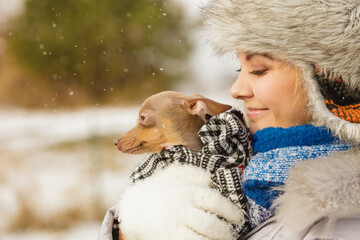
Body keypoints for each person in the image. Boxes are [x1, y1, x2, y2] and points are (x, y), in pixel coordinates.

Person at [98, 0, 360, 239]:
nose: (235, 90)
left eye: (258, 70)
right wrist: (131, 227)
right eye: (239, 68)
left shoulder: (342, 221)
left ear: (331, 80)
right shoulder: (230, 160)